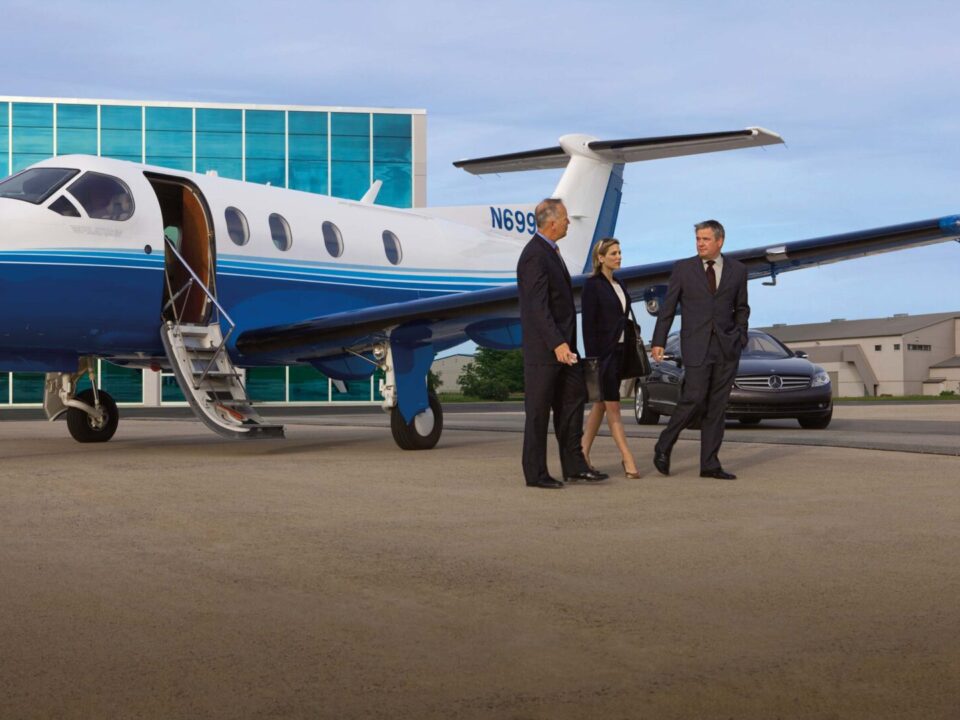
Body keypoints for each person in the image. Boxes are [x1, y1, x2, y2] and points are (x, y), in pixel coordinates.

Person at [517, 198, 608, 489]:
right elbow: (537, 305)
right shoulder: (534, 255)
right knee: (538, 413)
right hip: (546, 351)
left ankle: (575, 466)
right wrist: (557, 343)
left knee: (572, 405)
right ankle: (536, 473)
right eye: (566, 217)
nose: (569, 222)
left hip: (566, 350)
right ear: (553, 222)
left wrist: (566, 345)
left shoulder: (551, 252)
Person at [650, 220, 749, 480]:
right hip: (696, 345)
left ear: (720, 241)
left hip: (726, 347)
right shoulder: (683, 269)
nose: (700, 244)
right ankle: (664, 443)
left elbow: (742, 308)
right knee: (693, 398)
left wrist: (740, 335)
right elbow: (668, 308)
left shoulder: (738, 271)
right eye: (698, 239)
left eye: (705, 239)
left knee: (717, 406)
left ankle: (710, 465)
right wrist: (659, 341)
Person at [580, 238, 641, 478]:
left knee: (601, 404)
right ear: (601, 258)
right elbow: (588, 326)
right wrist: (594, 361)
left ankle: (581, 453)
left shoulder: (619, 284)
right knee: (613, 406)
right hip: (603, 355)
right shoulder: (592, 286)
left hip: (620, 352)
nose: (619, 256)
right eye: (613, 253)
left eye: (619, 252)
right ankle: (627, 458)